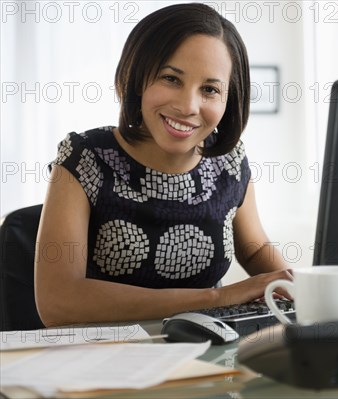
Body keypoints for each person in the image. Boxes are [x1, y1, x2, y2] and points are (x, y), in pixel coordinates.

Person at [35, 3, 292, 327]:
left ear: (229, 100)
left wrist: (304, 288)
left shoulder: (229, 161)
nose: (188, 106)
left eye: (210, 89)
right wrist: (216, 299)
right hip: (105, 361)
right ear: (136, 77)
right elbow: (58, 303)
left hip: (204, 353)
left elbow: (255, 251)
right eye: (171, 78)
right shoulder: (84, 157)